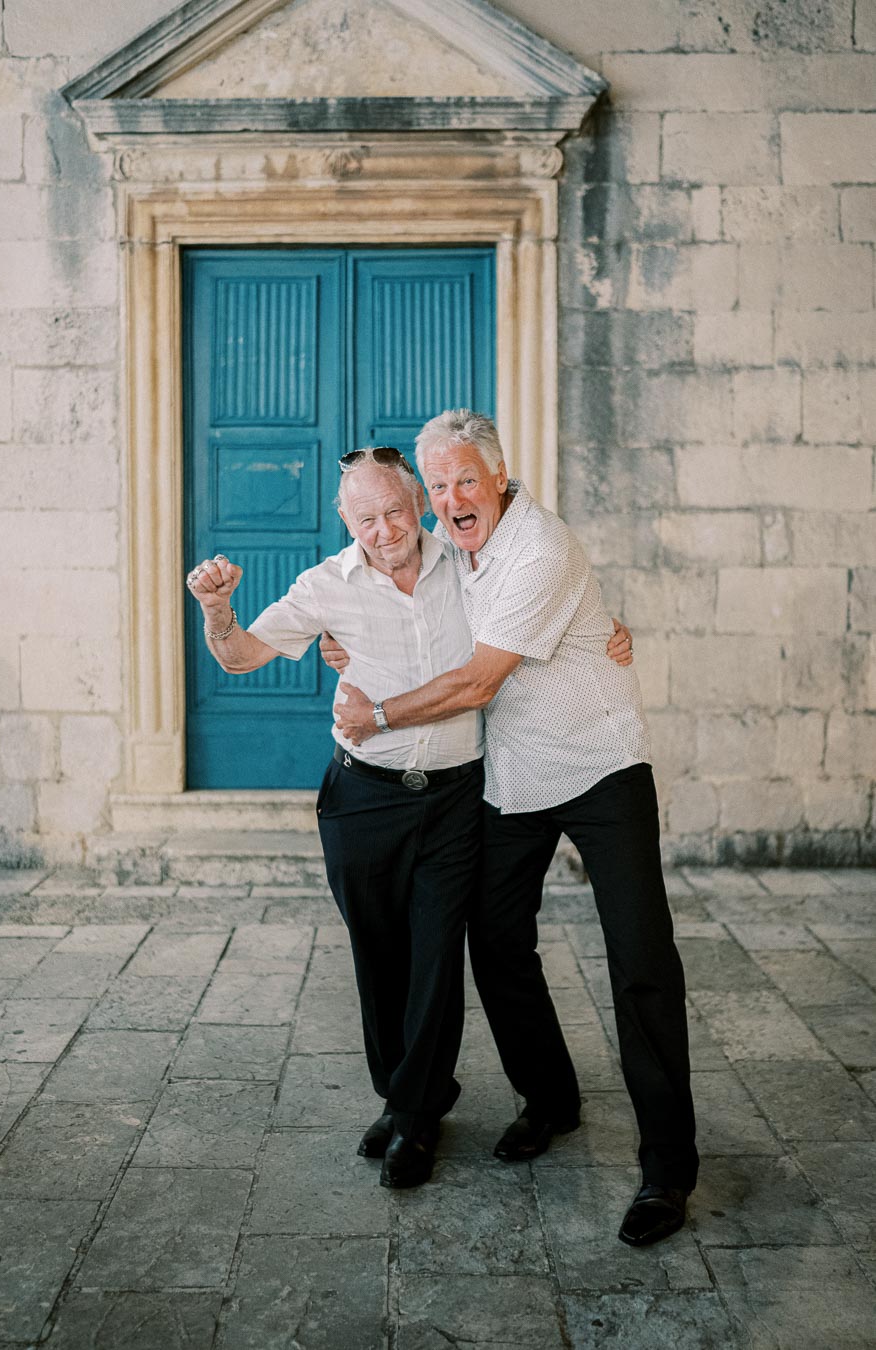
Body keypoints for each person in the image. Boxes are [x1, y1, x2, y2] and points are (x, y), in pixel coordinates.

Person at [332, 410, 698, 1246]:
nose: (452, 497)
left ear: (499, 477)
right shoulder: (449, 551)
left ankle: (669, 1169)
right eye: (439, 486)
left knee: (641, 958)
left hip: (604, 767)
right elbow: (388, 592)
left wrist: (376, 713)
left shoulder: (541, 547)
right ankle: (553, 1099)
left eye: (466, 478)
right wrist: (341, 641)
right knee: (494, 939)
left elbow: (473, 681)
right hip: (517, 779)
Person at [186, 448, 485, 1189]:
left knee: (437, 956)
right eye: (365, 518)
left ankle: (415, 1120)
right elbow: (241, 657)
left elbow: (535, 614)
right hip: (364, 799)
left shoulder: (474, 566)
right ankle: (403, 1095)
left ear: (417, 499)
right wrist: (218, 610)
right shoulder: (326, 586)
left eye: (393, 510)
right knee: (379, 955)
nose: (384, 530)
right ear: (344, 521)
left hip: (455, 796)